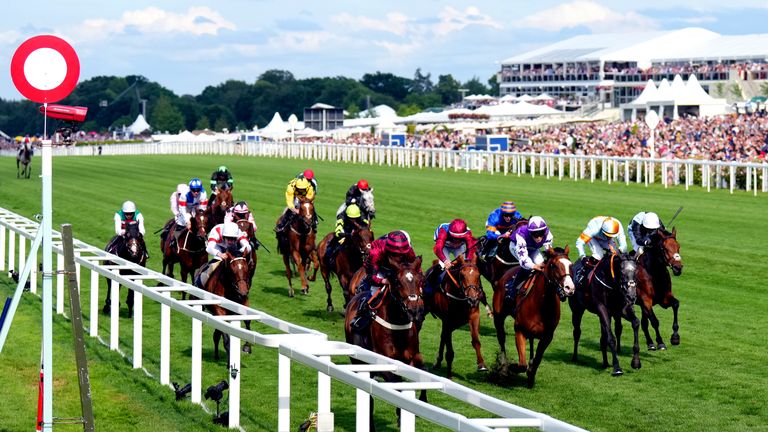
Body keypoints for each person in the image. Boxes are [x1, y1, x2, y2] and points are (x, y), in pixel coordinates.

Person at [350, 231, 416, 330]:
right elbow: (370, 276)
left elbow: (415, 270)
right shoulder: (376, 252)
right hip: (380, 268)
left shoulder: (409, 252)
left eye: (401, 255)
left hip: (398, 270)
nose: (398, 258)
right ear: (389, 251)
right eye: (395, 255)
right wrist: (383, 281)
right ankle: (360, 316)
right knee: (374, 293)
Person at [504, 216, 553, 305]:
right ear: (530, 233)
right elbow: (523, 260)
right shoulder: (521, 235)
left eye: (541, 233)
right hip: (515, 247)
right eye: (535, 234)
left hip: (533, 248)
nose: (539, 237)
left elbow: (548, 250)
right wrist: (534, 266)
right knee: (528, 268)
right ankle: (512, 288)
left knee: (543, 266)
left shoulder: (548, 233)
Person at [424, 219, 477, 296]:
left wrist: (468, 260)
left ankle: (470, 288)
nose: (456, 240)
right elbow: (438, 248)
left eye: (459, 238)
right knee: (443, 266)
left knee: (466, 267)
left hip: (459, 248)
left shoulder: (468, 233)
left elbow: (471, 247)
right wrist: (445, 260)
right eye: (454, 238)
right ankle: (430, 287)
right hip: (444, 247)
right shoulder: (443, 231)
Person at [573, 216, 627, 286]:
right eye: (608, 235)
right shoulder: (594, 228)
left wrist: (619, 251)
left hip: (606, 240)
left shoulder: (618, 227)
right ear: (602, 230)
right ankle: (582, 274)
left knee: (616, 256)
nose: (609, 237)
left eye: (611, 236)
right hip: (593, 238)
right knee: (598, 255)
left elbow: (624, 246)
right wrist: (583, 256)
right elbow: (579, 242)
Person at [197, 222, 251, 286]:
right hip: (218, 246)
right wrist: (220, 254)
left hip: (233, 248)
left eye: (232, 238)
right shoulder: (216, 233)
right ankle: (198, 283)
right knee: (217, 261)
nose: (230, 241)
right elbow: (209, 248)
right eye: (228, 238)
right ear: (223, 236)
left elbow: (248, 246)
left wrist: (240, 252)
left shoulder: (238, 233)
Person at [161, 183, 189, 248]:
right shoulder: (174, 196)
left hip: (189, 213)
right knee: (177, 227)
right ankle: (173, 241)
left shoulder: (188, 195)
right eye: (179, 194)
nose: (181, 195)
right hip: (179, 214)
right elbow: (173, 207)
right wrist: (177, 214)